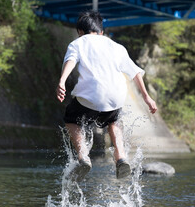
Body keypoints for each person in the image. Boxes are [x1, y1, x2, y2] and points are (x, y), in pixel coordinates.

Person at [56, 10, 157, 182]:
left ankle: (83, 157)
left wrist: (62, 81)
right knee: (114, 121)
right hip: (115, 97)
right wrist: (147, 97)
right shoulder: (117, 47)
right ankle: (121, 157)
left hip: (89, 96)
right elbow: (135, 73)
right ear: (101, 31)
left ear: (80, 31)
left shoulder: (78, 43)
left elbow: (70, 60)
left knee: (71, 119)